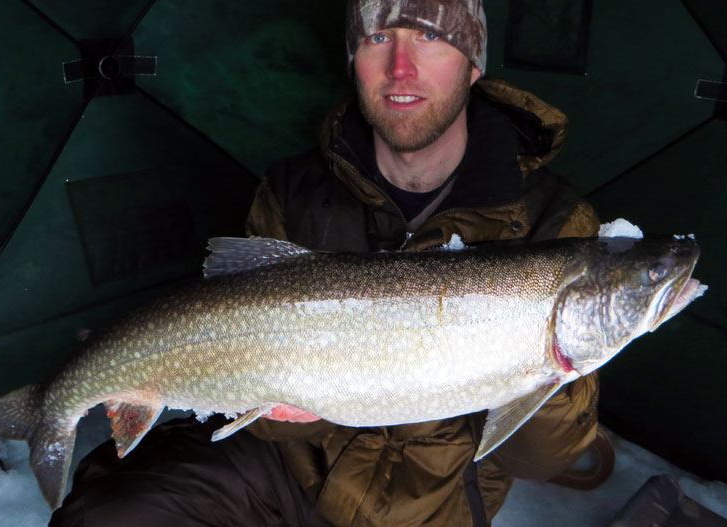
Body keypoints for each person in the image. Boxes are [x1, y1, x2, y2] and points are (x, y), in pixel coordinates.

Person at [51, 1, 608, 525]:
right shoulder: (291, 190)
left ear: (473, 64)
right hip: (290, 472)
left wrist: (539, 362)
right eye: (379, 38)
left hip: (434, 501)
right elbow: (262, 418)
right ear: (354, 60)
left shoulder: (557, 224)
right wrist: (282, 414)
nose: (401, 67)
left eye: (431, 37)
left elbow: (541, 458)